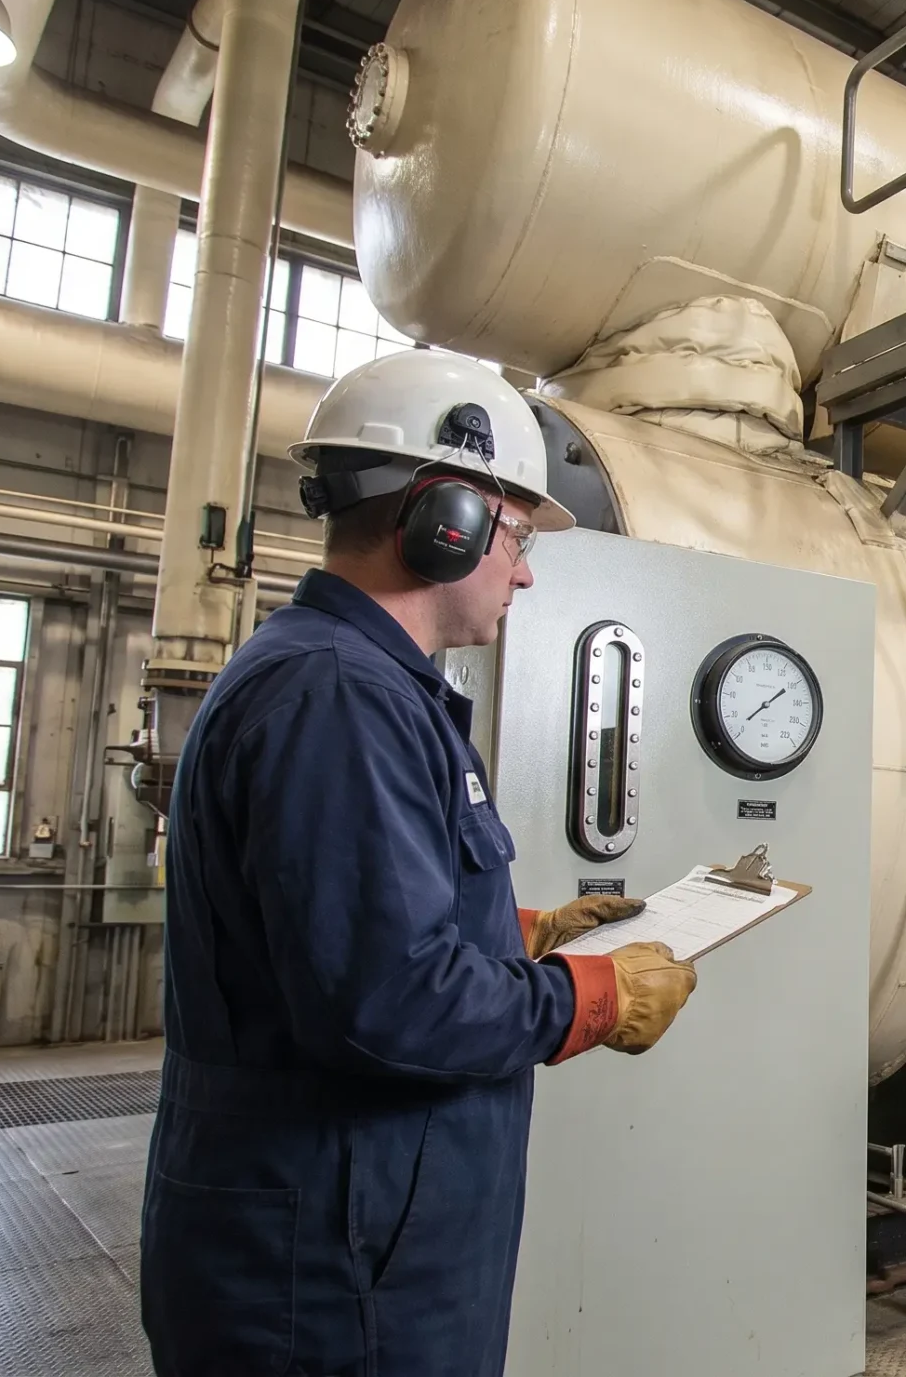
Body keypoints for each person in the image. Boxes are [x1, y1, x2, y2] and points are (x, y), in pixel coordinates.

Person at [139, 352, 697, 1377]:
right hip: (331, 1253)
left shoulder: (357, 686)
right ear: (447, 521)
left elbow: (340, 930)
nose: (526, 570)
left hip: (359, 1229)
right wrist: (589, 997)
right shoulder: (339, 696)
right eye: (518, 536)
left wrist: (521, 934)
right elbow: (383, 1000)